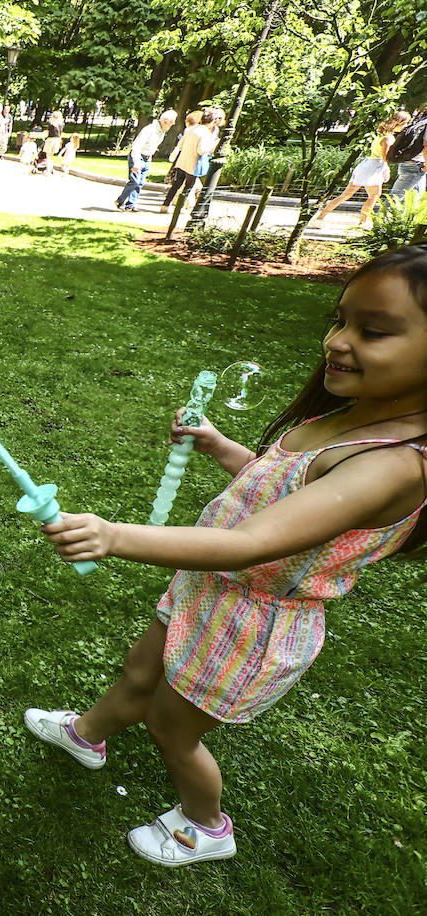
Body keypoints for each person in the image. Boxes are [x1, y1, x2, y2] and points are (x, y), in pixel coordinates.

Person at [27, 245, 427, 867]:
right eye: (341, 319)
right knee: (140, 673)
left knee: (173, 728)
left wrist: (114, 535)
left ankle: (205, 825)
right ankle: (88, 736)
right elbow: (279, 488)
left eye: (372, 331)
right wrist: (220, 447)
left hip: (250, 621)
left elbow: (254, 542)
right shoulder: (346, 419)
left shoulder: (392, 465)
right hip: (209, 590)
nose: (338, 342)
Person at [313, 112, 411, 226]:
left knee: (346, 195)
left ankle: (320, 217)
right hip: (374, 167)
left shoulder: (380, 134)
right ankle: (362, 223)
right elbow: (385, 157)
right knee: (374, 196)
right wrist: (387, 168)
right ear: (399, 123)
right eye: (405, 123)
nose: (405, 126)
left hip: (366, 164)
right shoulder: (388, 138)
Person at [115, 110, 177, 212]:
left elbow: (152, 146)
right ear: (165, 121)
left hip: (147, 158)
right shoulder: (149, 130)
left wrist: (150, 157)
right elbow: (136, 146)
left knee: (140, 183)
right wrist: (136, 162)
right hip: (138, 156)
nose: (173, 124)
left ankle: (130, 205)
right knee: (134, 181)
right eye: (172, 122)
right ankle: (120, 201)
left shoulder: (161, 131)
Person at [161, 109, 218, 213]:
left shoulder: (191, 129)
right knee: (188, 187)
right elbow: (201, 150)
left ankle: (165, 205)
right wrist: (212, 147)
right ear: (212, 122)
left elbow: (180, 145)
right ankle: (180, 208)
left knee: (176, 184)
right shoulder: (205, 133)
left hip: (182, 161)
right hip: (193, 164)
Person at [386, 106, 427, 200]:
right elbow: (426, 148)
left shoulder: (421, 121)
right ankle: (380, 215)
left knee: (412, 202)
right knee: (395, 199)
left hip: (410, 162)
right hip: (416, 166)